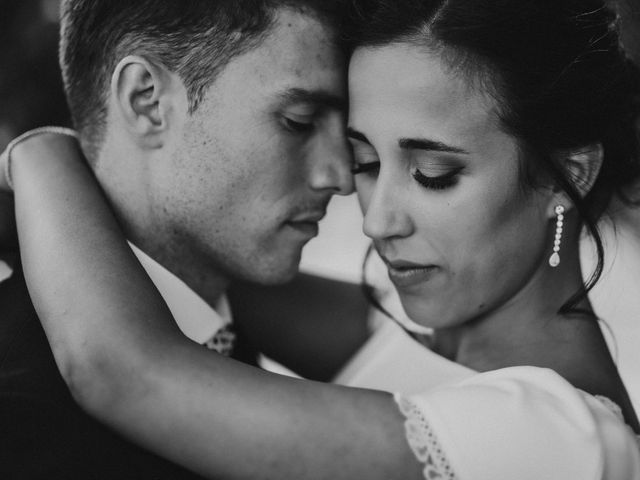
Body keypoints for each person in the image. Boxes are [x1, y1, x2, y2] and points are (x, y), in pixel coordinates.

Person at [3, 0, 640, 478]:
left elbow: (132, 372)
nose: (371, 215)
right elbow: (190, 270)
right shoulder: (405, 350)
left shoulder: (563, 439)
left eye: (433, 174)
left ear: (569, 175)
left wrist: (38, 152)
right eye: (365, 163)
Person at [0, 1, 363, 478]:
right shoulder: (18, 411)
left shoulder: (229, 329)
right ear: (146, 100)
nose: (341, 177)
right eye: (298, 120)